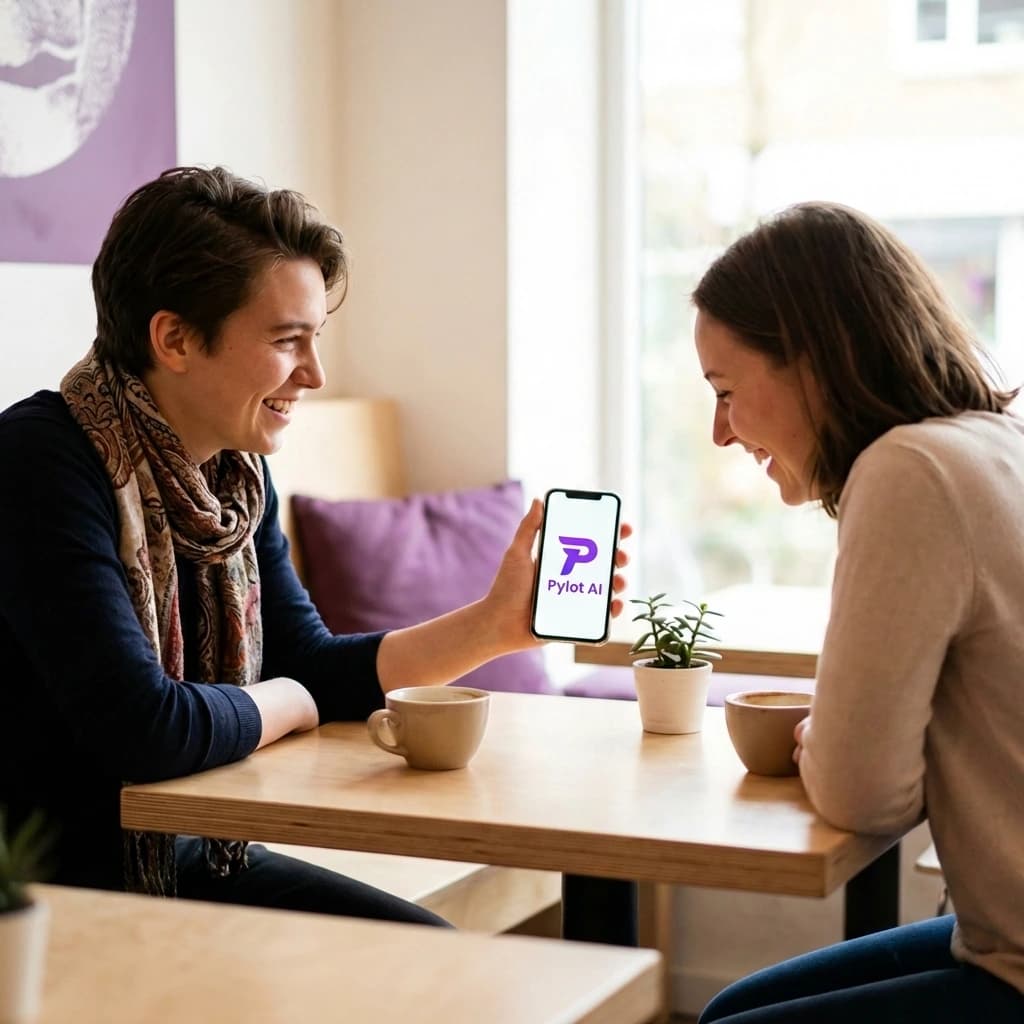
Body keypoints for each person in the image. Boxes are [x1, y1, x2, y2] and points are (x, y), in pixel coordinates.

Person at [0, 165, 630, 924]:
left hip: (198, 857)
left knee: (440, 957)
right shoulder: (38, 464)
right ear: (173, 339)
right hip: (53, 894)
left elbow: (312, 666)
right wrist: (291, 702)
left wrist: (496, 625)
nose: (315, 372)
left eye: (316, 339)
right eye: (286, 340)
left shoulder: (235, 481)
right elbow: (145, 729)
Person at [690, 201, 1024, 1021]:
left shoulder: (909, 471)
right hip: (992, 936)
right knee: (728, 1010)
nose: (719, 432)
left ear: (812, 361)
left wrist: (832, 740)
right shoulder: (993, 441)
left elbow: (864, 794)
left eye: (727, 391)